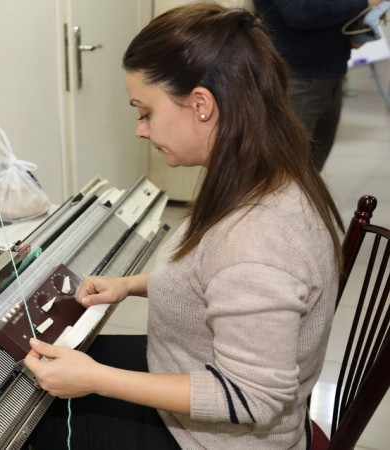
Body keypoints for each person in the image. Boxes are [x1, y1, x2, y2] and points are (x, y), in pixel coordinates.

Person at [23, 3, 345, 449]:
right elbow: (212, 274)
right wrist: (130, 285)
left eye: (145, 111)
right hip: (184, 369)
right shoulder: (259, 172)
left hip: (215, 439)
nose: (140, 129)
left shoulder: (257, 238)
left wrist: (96, 380)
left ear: (200, 105)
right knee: (54, 372)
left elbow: (251, 399)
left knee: (26, 422)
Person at [253, 0, 383, 171]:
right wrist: (363, 3)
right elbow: (300, 13)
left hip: (329, 76)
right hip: (298, 79)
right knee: (286, 170)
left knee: (312, 170)